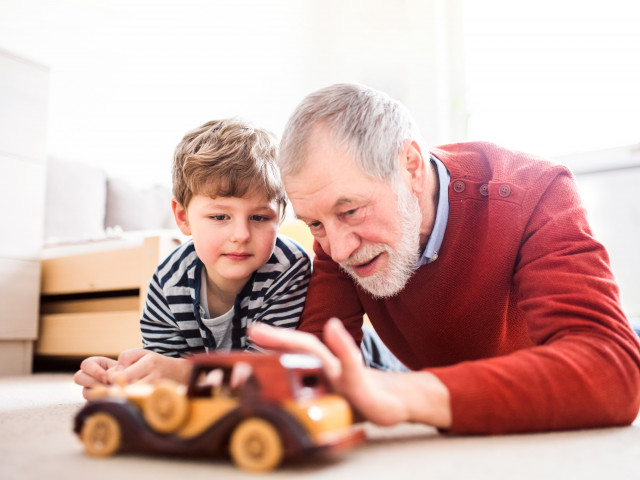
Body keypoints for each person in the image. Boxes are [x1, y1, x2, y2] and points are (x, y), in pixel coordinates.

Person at [248, 83, 640, 435]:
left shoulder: (533, 191)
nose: (337, 250)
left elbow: (613, 372)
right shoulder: (338, 234)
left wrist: (406, 395)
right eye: (315, 223)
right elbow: (314, 375)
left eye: (351, 212)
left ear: (411, 167)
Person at [74, 119, 312, 399]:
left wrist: (182, 374)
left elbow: (271, 377)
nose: (240, 234)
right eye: (220, 217)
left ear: (281, 217)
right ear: (182, 217)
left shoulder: (290, 269)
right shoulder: (168, 281)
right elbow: (166, 372)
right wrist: (120, 376)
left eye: (259, 217)